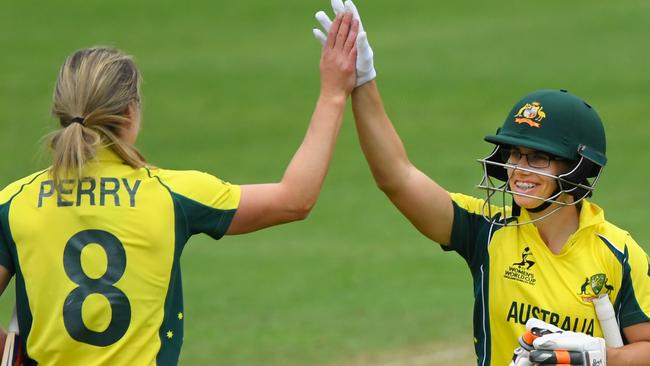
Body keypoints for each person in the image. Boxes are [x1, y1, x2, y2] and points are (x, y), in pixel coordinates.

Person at [0, 11, 359, 365]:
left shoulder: (14, 204)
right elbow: (295, 199)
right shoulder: (171, 196)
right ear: (129, 113)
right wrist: (333, 93)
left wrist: (11, 354)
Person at [313, 1, 650, 365]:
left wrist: (600, 357)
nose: (519, 169)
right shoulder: (487, 231)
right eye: (515, 155)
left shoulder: (618, 252)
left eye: (537, 157)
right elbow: (396, 178)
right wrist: (364, 83)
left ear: (578, 169)